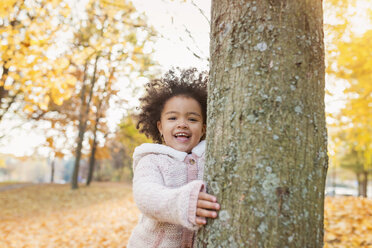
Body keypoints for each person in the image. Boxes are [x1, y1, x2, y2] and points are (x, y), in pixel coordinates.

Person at [127, 68, 220, 248]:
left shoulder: (211, 157)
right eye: (173, 118)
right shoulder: (152, 159)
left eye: (192, 119)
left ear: (203, 129)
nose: (182, 124)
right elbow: (145, 195)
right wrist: (182, 203)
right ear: (160, 127)